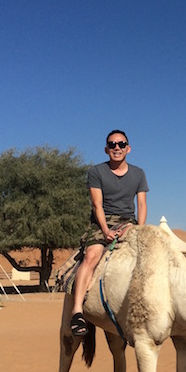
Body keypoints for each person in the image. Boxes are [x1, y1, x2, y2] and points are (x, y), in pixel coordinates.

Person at [70, 129, 148, 336]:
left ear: (128, 148)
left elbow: (141, 204)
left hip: (129, 222)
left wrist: (139, 229)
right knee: (91, 256)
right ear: (106, 149)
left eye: (121, 144)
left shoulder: (138, 173)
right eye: (112, 144)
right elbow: (97, 206)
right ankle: (77, 310)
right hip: (102, 222)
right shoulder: (96, 172)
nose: (117, 148)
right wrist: (104, 231)